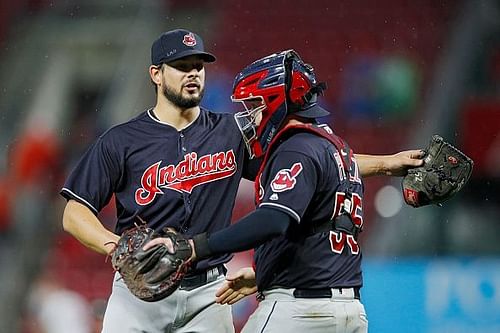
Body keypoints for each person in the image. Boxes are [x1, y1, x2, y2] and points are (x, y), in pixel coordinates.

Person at [61, 29, 422, 333]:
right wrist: (113, 246)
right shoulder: (122, 139)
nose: (194, 73)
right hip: (138, 291)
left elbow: (312, 164)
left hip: (209, 293)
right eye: (182, 66)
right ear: (156, 74)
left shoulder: (232, 132)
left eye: (198, 66)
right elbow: (75, 212)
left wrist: (388, 163)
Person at [147, 49, 415, 332]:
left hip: (301, 311)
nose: (250, 116)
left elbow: (273, 220)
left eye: (254, 105)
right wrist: (264, 274)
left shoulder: (294, 148)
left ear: (274, 102)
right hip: (349, 311)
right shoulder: (335, 148)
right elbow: (313, 232)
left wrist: (196, 246)